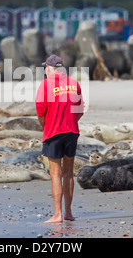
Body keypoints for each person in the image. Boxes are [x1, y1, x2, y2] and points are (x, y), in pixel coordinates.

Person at [35, 54, 85, 223]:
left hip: (54, 133)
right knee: (69, 173)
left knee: (56, 173)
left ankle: (57, 214)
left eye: (45, 68)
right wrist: (70, 123)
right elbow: (80, 110)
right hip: (72, 132)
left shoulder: (46, 84)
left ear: (49, 68)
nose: (45, 70)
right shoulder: (74, 83)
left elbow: (40, 111)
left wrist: (46, 127)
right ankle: (68, 213)